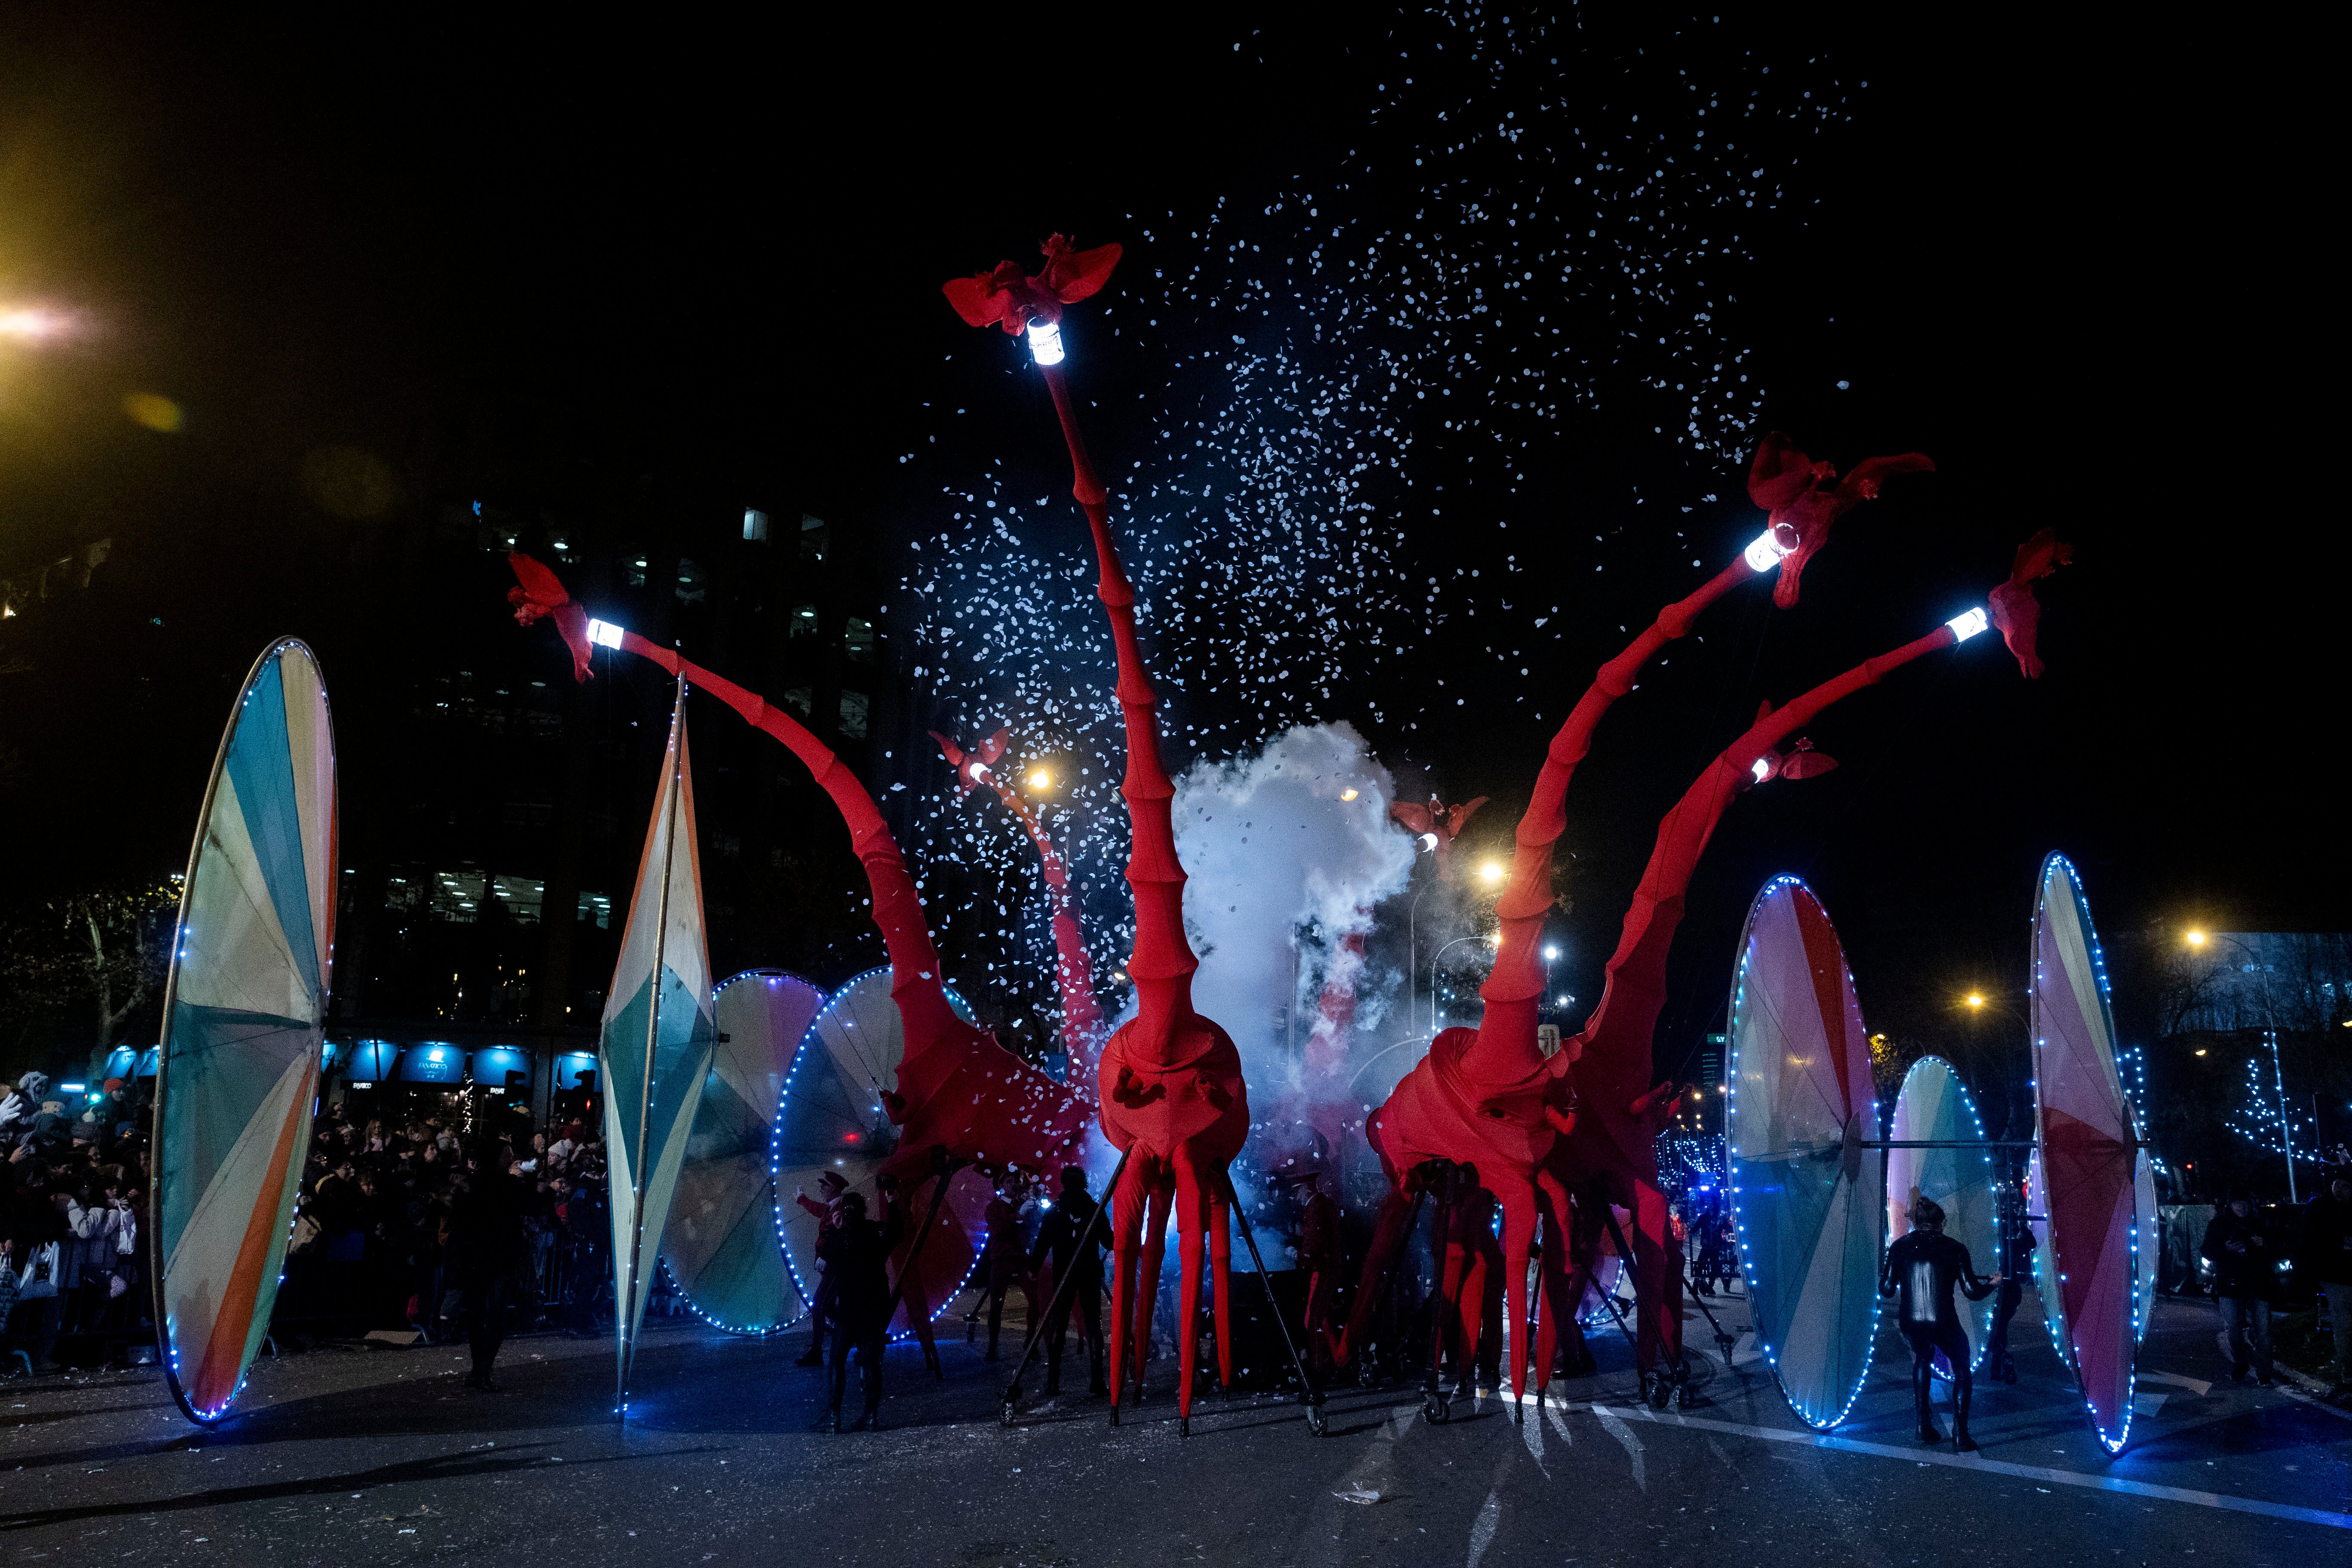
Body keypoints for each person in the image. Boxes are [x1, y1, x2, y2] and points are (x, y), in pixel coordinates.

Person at [1880, 1196, 1999, 1450]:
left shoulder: (1899, 1247)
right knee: (1962, 1367)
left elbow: (1887, 1290)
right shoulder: (1955, 1249)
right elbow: (1972, 1292)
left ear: (1915, 1222)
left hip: (1911, 1321)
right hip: (1943, 1320)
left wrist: (1902, 1274)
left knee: (1923, 1359)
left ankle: (1923, 1426)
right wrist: (1993, 1284)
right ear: (1942, 1222)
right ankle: (1961, 1433)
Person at [819, 1179, 905, 1433]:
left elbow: (824, 1262)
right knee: (870, 1360)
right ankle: (870, 1416)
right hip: (875, 1305)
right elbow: (898, 1232)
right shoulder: (876, 1232)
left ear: (843, 1212)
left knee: (837, 1360)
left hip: (849, 1308)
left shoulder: (842, 1239)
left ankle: (835, 1417)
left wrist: (837, 1231)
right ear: (865, 1210)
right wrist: (893, 1203)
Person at [446, 1147, 530, 1389]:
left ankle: (478, 1368)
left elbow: (460, 1221)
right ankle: (483, 1369)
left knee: (478, 1313)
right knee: (494, 1314)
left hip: (477, 1258)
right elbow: (525, 1208)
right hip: (498, 1258)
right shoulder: (509, 1186)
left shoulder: (472, 1185)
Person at [1027, 1165, 1107, 1397]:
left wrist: (1033, 1268)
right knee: (1093, 1324)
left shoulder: (1056, 1211)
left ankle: (1053, 1383)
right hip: (1089, 1272)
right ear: (1084, 1184)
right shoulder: (1094, 1209)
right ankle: (1098, 1381)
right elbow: (1110, 1242)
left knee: (1060, 1325)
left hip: (1065, 1274)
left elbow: (1042, 1244)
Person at [2202, 1191, 2279, 1384]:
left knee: (2264, 1331)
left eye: (2245, 1203)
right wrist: (2226, 1250)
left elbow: (2278, 1249)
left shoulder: (2260, 1223)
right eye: (2237, 1203)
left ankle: (2265, 1373)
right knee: (2234, 1329)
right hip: (2231, 1284)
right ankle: (2240, 1361)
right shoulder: (2219, 1225)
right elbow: (2207, 1251)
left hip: (2258, 1284)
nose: (2242, 1207)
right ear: (2230, 1205)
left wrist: (2265, 1244)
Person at [974, 1176, 1035, 1362]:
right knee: (996, 1305)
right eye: (1009, 1181)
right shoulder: (994, 1207)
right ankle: (993, 1347)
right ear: (1001, 1185)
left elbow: (1032, 1228)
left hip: (1022, 1258)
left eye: (1015, 1181)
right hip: (1002, 1259)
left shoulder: (1020, 1203)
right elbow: (998, 1229)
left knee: (1035, 1301)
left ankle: (1031, 1342)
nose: (1014, 1184)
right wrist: (1019, 1215)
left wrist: (1033, 1205)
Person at [2302, 1170, 2352, 1394]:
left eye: (2347, 1185)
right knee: (2344, 1325)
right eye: (2338, 1184)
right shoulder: (2320, 1208)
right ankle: (2348, 1371)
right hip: (2336, 1275)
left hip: (2341, 1272)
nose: (2342, 1190)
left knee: (2345, 1325)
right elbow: (2309, 1240)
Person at [793, 1171, 848, 1367]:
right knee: (831, 1309)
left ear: (833, 1188)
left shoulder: (841, 1209)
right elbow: (818, 1209)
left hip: (835, 1267)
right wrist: (803, 1199)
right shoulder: (831, 1208)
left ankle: (817, 1350)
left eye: (824, 1186)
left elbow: (840, 1237)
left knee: (820, 1305)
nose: (822, 1189)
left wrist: (827, 1256)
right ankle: (858, 1337)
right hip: (829, 1267)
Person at [1985, 1187, 2036, 1385]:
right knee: (2000, 1329)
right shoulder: (2009, 1246)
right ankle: (1998, 1363)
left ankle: (1998, 1362)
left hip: (1995, 1290)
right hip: (2009, 1290)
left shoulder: (1996, 1246)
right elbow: (2029, 1242)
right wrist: (2023, 1225)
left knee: (1996, 1330)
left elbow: (2029, 1242)